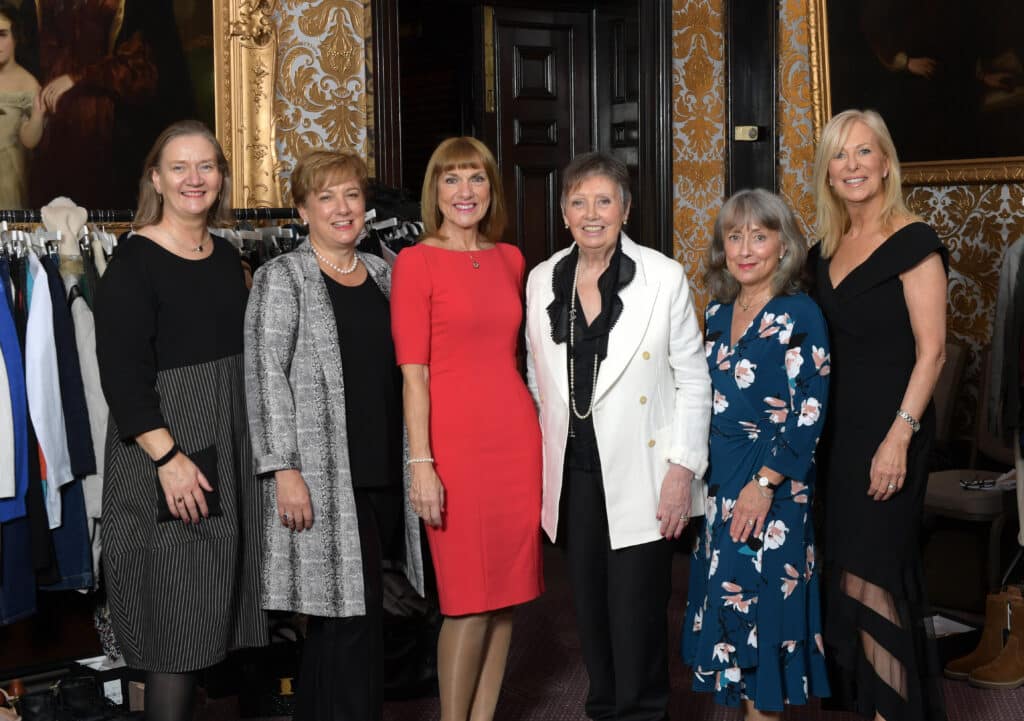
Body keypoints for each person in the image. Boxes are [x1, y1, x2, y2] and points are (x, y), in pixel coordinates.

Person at [524, 151, 711, 721]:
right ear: (563, 213)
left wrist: (682, 472)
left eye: (604, 200)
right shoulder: (540, 280)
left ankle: (644, 711)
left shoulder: (662, 276)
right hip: (575, 471)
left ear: (625, 209)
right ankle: (603, 708)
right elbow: (538, 377)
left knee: (637, 610)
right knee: (590, 612)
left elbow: (694, 380)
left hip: (645, 471)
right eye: (578, 202)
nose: (591, 213)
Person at [94, 120, 266, 721]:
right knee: (174, 627)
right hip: (165, 455)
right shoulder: (134, 262)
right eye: (180, 168)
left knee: (212, 617)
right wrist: (169, 460)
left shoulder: (226, 256)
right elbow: (122, 379)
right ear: (156, 179)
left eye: (206, 167)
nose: (195, 179)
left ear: (220, 177)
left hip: (224, 445)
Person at [245, 149, 424, 721]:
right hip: (323, 476)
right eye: (325, 197)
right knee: (351, 620)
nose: (342, 208)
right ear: (302, 211)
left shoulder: (385, 273)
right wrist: (284, 469)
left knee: (341, 623)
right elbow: (264, 375)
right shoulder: (282, 278)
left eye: (351, 194)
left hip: (384, 469)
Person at [391, 136, 543, 721]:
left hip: (514, 438)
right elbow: (414, 376)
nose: (464, 192)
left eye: (476, 179)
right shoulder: (415, 262)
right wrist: (422, 463)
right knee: (466, 602)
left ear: (491, 190)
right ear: (435, 191)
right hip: (453, 446)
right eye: (451, 179)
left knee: (506, 600)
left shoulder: (510, 259)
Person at [810, 108, 948, 721]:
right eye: (841, 156)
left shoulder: (915, 241)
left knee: (876, 577)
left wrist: (899, 437)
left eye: (864, 153)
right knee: (843, 576)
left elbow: (933, 351)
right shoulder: (823, 250)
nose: (853, 166)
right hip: (834, 438)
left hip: (893, 430)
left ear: (886, 163)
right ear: (828, 173)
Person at [681, 189, 831, 719]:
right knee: (734, 638)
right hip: (724, 488)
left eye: (760, 235)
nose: (746, 248)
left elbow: (809, 413)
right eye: (734, 235)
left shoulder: (800, 315)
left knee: (762, 637)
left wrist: (763, 484)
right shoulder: (719, 312)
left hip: (774, 492)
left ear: (783, 244)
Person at [19, 0, 194, 207]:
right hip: (53, 122)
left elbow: (142, 67)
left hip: (109, 126)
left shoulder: (138, 7)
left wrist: (77, 78)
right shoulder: (34, 6)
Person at [0, 2, 42, 208]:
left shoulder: (28, 83)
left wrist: (37, 116)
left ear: (16, 37)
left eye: (2, 35)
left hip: (8, 181)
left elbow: (30, 140)